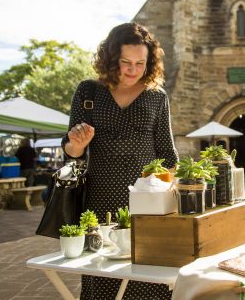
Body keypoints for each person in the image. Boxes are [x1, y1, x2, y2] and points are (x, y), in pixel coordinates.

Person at [63, 22, 178, 300]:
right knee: (102, 279)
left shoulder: (156, 97)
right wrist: (77, 145)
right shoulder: (88, 92)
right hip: (99, 204)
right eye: (125, 62)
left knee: (147, 280)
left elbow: (168, 157)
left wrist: (162, 204)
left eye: (141, 63)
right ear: (111, 58)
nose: (132, 70)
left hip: (146, 206)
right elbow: (70, 152)